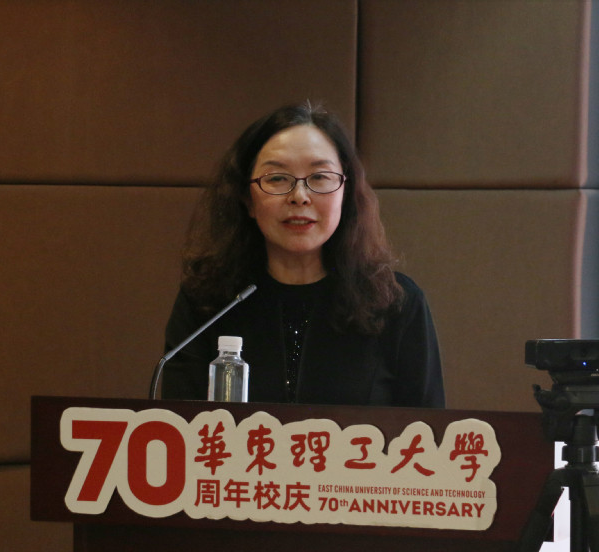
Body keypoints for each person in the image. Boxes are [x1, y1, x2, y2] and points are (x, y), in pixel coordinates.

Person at [161, 102, 445, 408]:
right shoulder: (207, 301)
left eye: (319, 177)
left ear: (345, 192)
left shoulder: (394, 302)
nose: (299, 196)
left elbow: (428, 431)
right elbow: (178, 427)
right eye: (277, 178)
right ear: (247, 198)